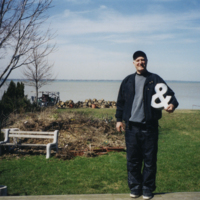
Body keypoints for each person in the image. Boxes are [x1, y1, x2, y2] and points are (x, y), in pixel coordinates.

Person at [115, 51, 178, 199]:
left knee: (150, 161)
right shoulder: (127, 81)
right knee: (132, 160)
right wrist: (119, 120)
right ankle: (135, 188)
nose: (140, 62)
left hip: (149, 128)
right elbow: (120, 102)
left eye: (143, 60)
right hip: (131, 128)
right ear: (133, 63)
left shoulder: (154, 79)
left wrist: (172, 106)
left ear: (147, 61)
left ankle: (148, 189)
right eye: (137, 60)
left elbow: (171, 96)